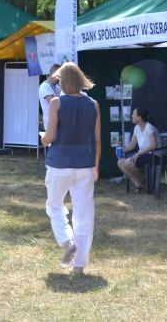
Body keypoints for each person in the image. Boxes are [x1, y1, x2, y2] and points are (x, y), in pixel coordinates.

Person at [41, 62, 101, 276]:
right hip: (85, 165)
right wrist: (96, 166)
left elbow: (50, 137)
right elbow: (97, 140)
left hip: (59, 163)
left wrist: (43, 139)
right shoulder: (93, 104)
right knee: (84, 214)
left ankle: (67, 242)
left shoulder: (56, 103)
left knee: (54, 205)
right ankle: (79, 266)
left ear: (63, 81)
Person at [116, 107, 158, 193]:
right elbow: (132, 145)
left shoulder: (149, 127)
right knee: (120, 162)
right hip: (143, 154)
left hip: (153, 154)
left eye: (134, 114)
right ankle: (138, 183)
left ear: (139, 117)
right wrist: (122, 150)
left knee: (128, 163)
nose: (132, 116)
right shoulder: (136, 128)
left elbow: (154, 145)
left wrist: (138, 154)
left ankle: (142, 180)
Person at [39, 64, 62, 131]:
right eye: (60, 75)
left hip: (57, 121)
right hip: (50, 122)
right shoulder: (44, 86)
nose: (61, 78)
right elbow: (54, 103)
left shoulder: (57, 86)